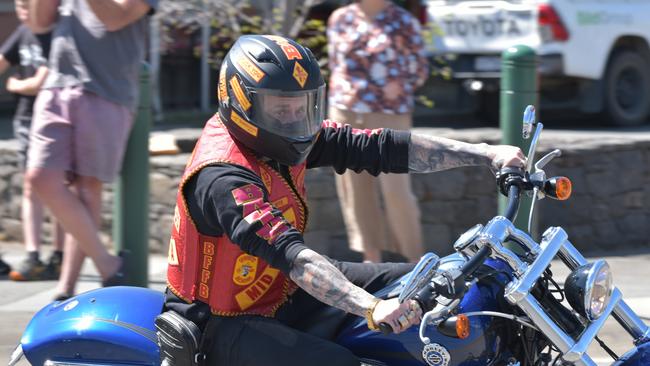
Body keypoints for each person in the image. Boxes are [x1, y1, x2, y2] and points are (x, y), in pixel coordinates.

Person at [162, 35, 526, 366]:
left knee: (436, 275)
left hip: (280, 289)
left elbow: (379, 147)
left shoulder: (283, 135)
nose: (295, 119)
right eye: (280, 107)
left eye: (303, 105)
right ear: (240, 103)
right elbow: (292, 256)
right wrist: (373, 307)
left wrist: (485, 153)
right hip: (223, 323)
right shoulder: (222, 177)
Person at [25, 0, 157, 299]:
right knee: (40, 177)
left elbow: (115, 18)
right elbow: (39, 22)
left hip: (107, 90)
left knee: (88, 188)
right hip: (57, 85)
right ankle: (108, 264)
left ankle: (66, 287)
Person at [327, 0, 430, 263]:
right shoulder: (340, 18)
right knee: (355, 190)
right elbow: (335, 64)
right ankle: (370, 261)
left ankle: (413, 262)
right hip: (345, 113)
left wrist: (399, 84)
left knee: (396, 191)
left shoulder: (404, 21)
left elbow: (420, 70)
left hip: (389, 114)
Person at [0, 0, 65, 281]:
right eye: (19, 6)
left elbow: (41, 80)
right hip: (27, 120)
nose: (24, 10)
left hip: (54, 117)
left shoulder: (59, 34)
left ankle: (59, 255)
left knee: (57, 189)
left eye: (29, 4)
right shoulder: (22, 33)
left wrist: (15, 85)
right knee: (31, 186)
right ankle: (33, 253)